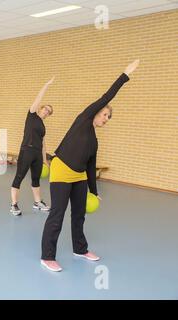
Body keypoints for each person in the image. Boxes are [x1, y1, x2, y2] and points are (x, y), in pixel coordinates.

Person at [41, 60, 139, 272]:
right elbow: (107, 96)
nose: (106, 118)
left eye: (109, 117)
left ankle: (80, 248)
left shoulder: (94, 141)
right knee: (57, 214)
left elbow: (90, 165)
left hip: (79, 177)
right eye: (105, 114)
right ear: (96, 112)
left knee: (79, 214)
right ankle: (47, 256)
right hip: (61, 169)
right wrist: (124, 75)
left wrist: (94, 191)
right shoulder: (83, 118)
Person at [10, 77, 55, 215]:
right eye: (46, 109)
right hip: (27, 150)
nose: (46, 112)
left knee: (36, 179)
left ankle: (37, 202)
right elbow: (38, 98)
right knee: (19, 177)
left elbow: (43, 143)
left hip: (36, 153)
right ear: (40, 108)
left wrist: (44, 159)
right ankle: (14, 205)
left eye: (49, 112)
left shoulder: (42, 125)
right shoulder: (32, 115)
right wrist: (46, 85)